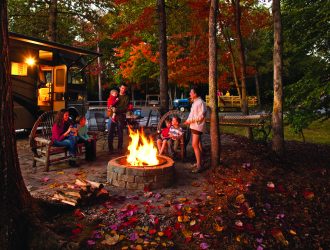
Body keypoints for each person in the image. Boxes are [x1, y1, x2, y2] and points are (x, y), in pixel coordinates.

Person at [184, 86, 207, 173]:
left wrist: (190, 120)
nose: (190, 94)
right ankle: (200, 162)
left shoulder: (200, 102)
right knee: (199, 145)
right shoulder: (195, 102)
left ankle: (199, 166)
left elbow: (201, 116)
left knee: (194, 145)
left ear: (195, 94)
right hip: (194, 125)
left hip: (198, 126)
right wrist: (188, 120)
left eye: (191, 92)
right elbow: (192, 114)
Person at [108, 83, 129, 153]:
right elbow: (110, 103)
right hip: (112, 116)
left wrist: (116, 109)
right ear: (120, 88)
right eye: (122, 88)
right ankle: (110, 149)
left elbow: (125, 108)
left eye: (125, 89)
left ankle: (119, 148)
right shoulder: (115, 94)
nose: (123, 90)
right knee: (110, 132)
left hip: (121, 117)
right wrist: (110, 108)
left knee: (120, 132)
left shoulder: (126, 97)